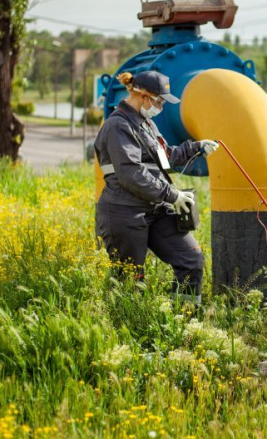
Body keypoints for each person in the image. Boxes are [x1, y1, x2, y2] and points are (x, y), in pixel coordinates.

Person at [94, 70, 219, 304]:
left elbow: (166, 156)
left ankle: (184, 319)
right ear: (144, 97)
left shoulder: (146, 124)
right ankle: (127, 332)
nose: (161, 107)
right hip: (124, 212)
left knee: (191, 260)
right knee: (130, 283)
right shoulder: (117, 126)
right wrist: (172, 195)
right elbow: (131, 173)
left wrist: (196, 147)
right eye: (159, 101)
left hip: (154, 209)